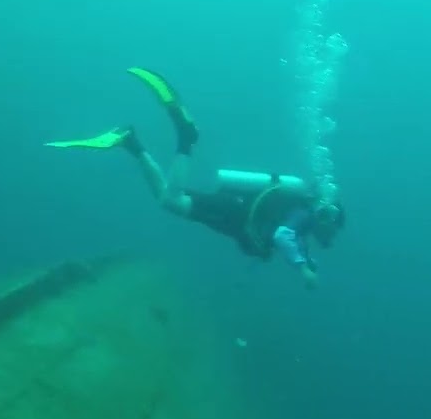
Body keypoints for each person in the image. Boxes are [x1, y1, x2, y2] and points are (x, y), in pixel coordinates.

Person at [46, 68, 345, 289]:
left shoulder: (303, 222)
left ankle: (131, 143)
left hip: (234, 217)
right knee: (171, 201)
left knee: (167, 199)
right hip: (235, 210)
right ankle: (187, 138)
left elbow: (292, 240)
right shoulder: (303, 215)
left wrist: (308, 262)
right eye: (332, 231)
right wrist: (303, 268)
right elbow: (283, 235)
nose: (331, 238)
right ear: (327, 219)